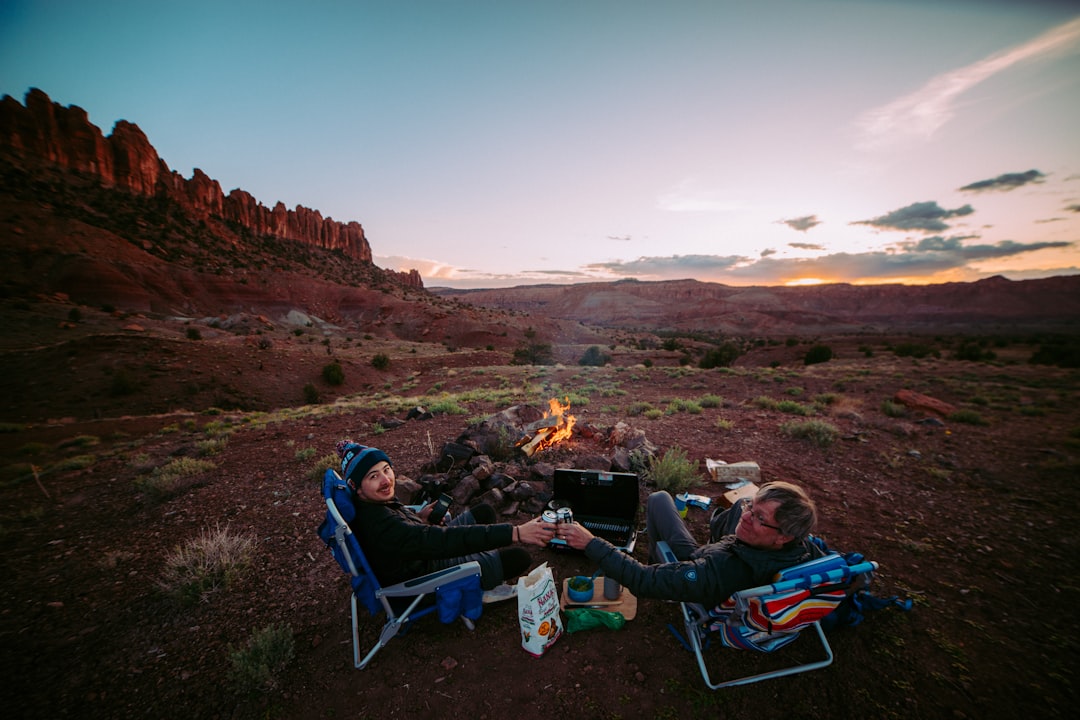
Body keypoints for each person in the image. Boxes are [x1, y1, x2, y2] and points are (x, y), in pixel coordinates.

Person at [336, 440, 556, 592]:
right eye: (374, 476)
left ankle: (486, 553)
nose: (386, 480)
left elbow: (410, 535)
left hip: (419, 550)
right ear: (357, 487)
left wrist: (419, 519)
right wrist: (515, 533)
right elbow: (444, 541)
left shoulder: (371, 503)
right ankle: (484, 566)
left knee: (484, 512)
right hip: (426, 573)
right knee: (519, 558)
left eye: (386, 469)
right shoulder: (381, 525)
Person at [558, 481, 822, 606]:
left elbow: (641, 580)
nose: (745, 516)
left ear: (783, 536)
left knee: (659, 503)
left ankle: (659, 564)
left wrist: (590, 542)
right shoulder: (804, 549)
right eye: (750, 507)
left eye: (758, 517)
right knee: (660, 498)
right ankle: (658, 559)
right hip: (717, 553)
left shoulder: (720, 572)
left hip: (701, 567)